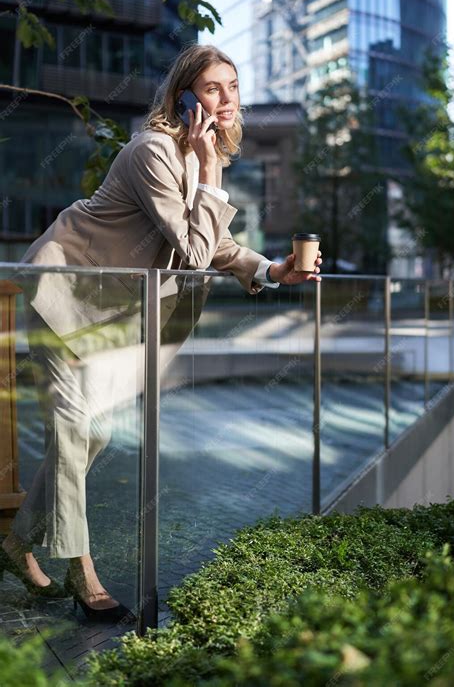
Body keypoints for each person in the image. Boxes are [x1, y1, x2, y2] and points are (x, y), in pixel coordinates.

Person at [0, 44, 322, 621]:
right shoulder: (154, 149)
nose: (226, 99)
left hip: (107, 309)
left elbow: (213, 243)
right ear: (184, 94)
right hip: (64, 290)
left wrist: (275, 271)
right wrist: (210, 169)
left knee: (90, 436)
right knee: (75, 431)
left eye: (233, 86)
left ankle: (15, 542)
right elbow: (195, 252)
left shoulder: (199, 157)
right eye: (213, 87)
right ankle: (84, 574)